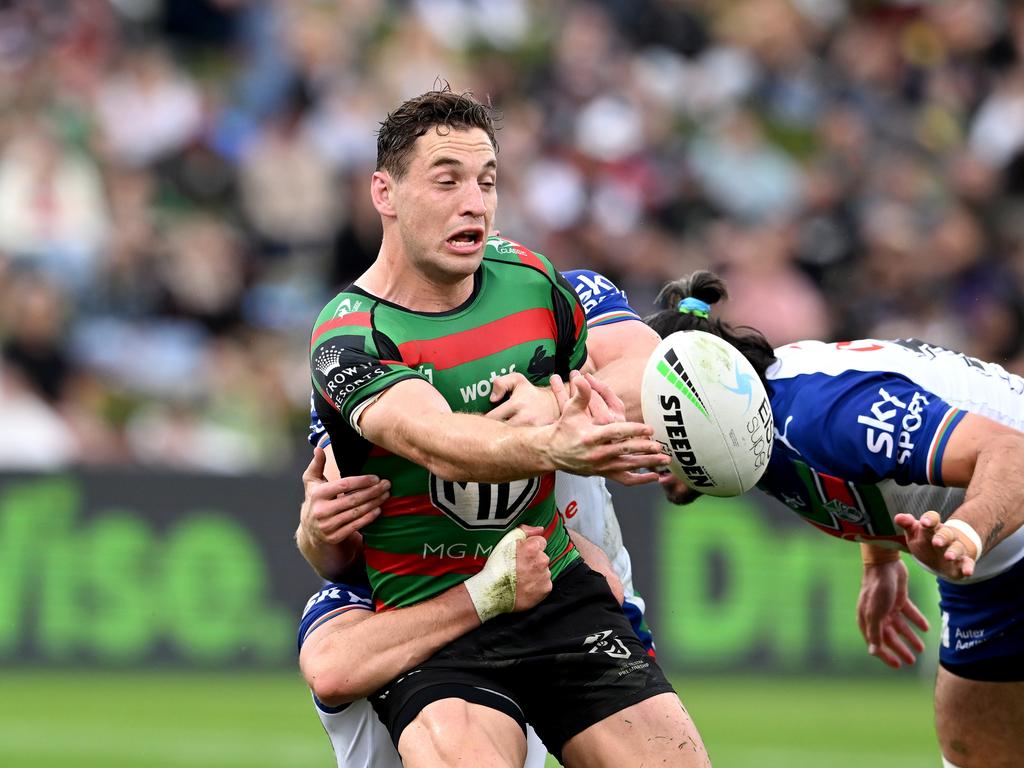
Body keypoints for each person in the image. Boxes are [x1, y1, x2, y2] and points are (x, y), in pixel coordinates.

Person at [308, 87, 709, 768]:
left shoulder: (530, 281)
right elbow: (437, 440)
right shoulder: (348, 337)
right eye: (448, 180)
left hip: (554, 593)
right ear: (385, 192)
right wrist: (552, 440)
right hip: (434, 619)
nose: (476, 201)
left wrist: (567, 411)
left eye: (488, 181)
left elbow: (634, 373)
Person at [648, 270, 1024, 768]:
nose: (641, 445)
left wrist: (966, 533)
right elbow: (875, 471)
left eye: (649, 420)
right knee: (974, 751)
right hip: (988, 565)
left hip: (1000, 520)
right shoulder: (755, 423)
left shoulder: (819, 418)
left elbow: (1012, 454)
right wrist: (880, 557)